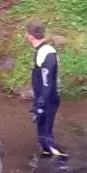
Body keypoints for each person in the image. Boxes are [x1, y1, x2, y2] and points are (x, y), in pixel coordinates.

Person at [27, 22, 65, 158]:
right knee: (42, 136)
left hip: (48, 100)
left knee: (46, 137)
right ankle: (47, 162)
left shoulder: (47, 53)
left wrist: (41, 103)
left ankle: (62, 164)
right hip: (43, 98)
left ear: (30, 36)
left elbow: (47, 82)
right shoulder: (42, 51)